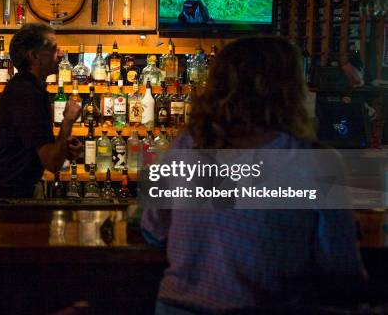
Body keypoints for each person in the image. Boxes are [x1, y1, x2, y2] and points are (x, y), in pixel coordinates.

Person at [142, 37, 367, 314]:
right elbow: (342, 271)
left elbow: (153, 230)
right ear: (291, 89)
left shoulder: (187, 144)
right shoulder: (314, 162)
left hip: (175, 307)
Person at [0, 24, 82, 197]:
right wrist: (68, 121)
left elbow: (32, 147)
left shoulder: (27, 88)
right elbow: (52, 163)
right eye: (54, 49)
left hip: (13, 192)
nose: (61, 54)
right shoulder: (27, 94)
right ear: (34, 56)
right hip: (13, 199)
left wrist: (65, 149)